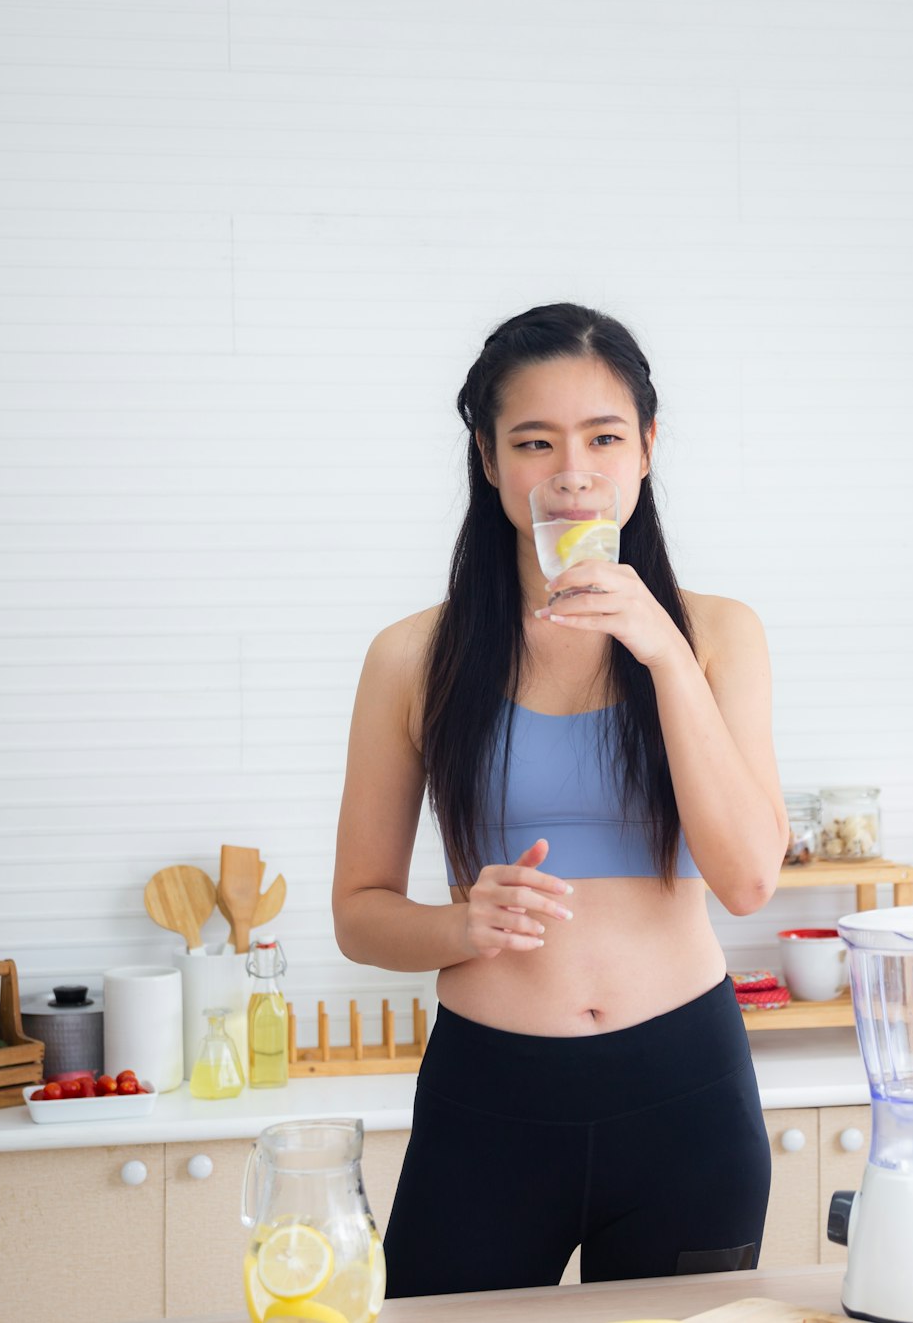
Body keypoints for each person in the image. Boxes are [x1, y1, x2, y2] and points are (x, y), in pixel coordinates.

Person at [331, 302, 789, 1297]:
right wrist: (460, 922)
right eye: (533, 441)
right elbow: (358, 916)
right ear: (489, 460)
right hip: (489, 1099)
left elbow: (749, 877)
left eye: (602, 436)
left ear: (647, 448)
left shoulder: (715, 635)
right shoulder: (411, 657)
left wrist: (660, 650)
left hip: (686, 1094)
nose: (571, 470)